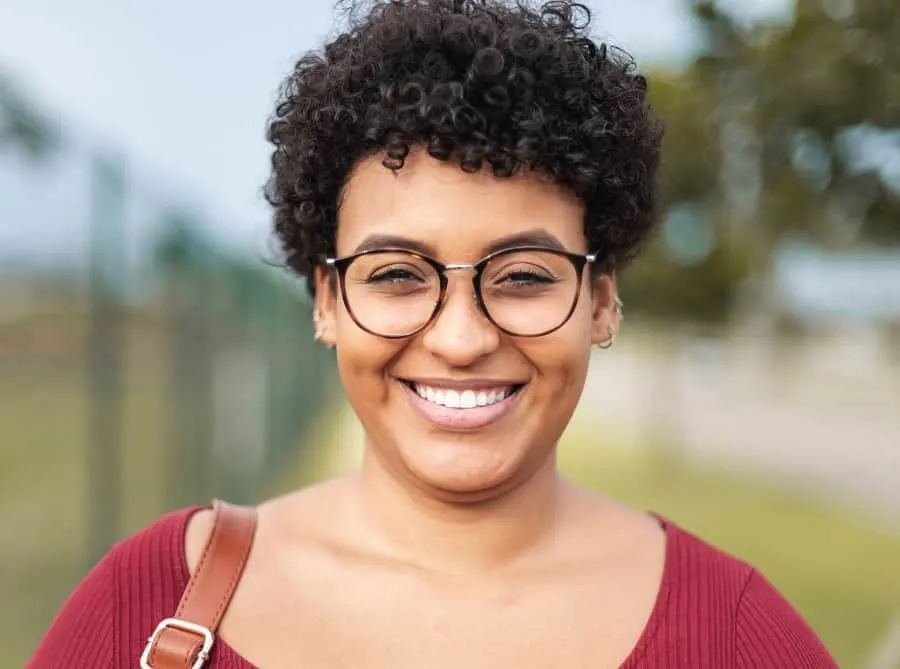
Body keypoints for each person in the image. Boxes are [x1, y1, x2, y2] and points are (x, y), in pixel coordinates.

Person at [29, 0, 838, 667]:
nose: (459, 338)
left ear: (600, 303)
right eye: (396, 275)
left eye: (522, 276)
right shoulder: (151, 600)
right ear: (325, 301)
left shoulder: (734, 632)